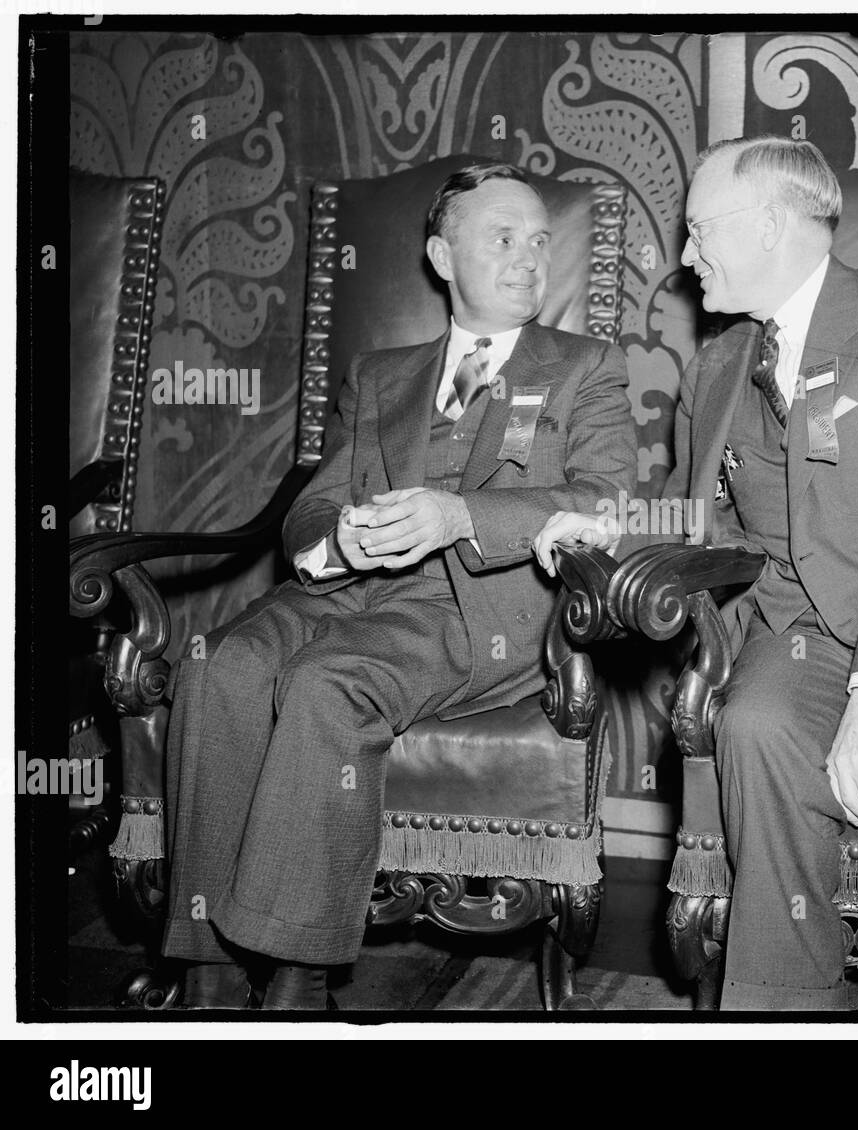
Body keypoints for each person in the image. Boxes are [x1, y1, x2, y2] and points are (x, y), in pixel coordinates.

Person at [536, 137, 858, 1011]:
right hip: (798, 630)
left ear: (769, 224)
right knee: (754, 727)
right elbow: (701, 515)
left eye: (699, 232)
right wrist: (614, 525)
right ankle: (781, 1005)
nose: (684, 257)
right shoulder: (719, 364)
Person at [162, 163, 636, 1009]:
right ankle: (208, 966)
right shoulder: (382, 374)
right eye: (502, 237)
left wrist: (460, 514)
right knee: (218, 665)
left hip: (478, 611)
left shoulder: (585, 367)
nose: (530, 257)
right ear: (441, 255)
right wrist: (335, 543)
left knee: (325, 683)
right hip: (347, 593)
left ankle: (297, 975)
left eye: (539, 240)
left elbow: (603, 502)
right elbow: (314, 504)